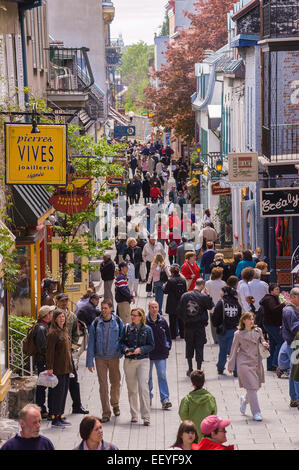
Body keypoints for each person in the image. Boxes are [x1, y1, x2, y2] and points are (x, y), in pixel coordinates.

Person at [86, 299, 123, 423]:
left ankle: (115, 403)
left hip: (114, 357)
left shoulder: (118, 321)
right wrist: (89, 361)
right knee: (103, 386)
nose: (103, 310)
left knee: (116, 383)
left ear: (111, 309)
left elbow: (123, 338)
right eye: (102, 308)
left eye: (106, 308)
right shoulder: (96, 323)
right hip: (100, 358)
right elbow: (91, 342)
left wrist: (122, 352)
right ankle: (106, 412)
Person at [228, 312, 269, 421]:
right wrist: (231, 365)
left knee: (255, 388)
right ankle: (256, 412)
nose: (251, 321)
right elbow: (233, 350)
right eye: (249, 319)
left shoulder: (258, 331)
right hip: (244, 363)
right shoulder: (238, 334)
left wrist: (265, 344)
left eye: (252, 319)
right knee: (252, 387)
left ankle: (244, 400)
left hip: (256, 362)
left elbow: (262, 341)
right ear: (244, 321)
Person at [120, 307, 155, 426]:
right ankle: (134, 414)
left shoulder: (147, 329)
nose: (133, 317)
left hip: (143, 360)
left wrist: (141, 349)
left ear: (141, 317)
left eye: (135, 315)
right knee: (131, 389)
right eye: (132, 315)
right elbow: (121, 342)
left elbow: (151, 345)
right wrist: (125, 349)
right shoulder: (126, 328)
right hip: (129, 361)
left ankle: (146, 416)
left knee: (143, 387)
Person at [56, 293, 89, 415]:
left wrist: (72, 347)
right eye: (62, 301)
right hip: (57, 354)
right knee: (58, 382)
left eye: (66, 301)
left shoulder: (72, 316)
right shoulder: (53, 314)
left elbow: (76, 333)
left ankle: (77, 405)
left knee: (73, 379)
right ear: (57, 302)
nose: (64, 303)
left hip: (68, 353)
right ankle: (55, 410)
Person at [179, 278, 214, 375]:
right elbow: (210, 306)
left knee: (189, 346)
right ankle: (198, 369)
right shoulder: (203, 297)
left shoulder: (185, 296)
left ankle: (190, 368)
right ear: (202, 286)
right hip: (199, 326)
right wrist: (208, 295)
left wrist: (185, 320)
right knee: (199, 347)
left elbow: (180, 311)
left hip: (188, 326)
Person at [46, 308, 73, 428]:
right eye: (59, 317)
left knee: (63, 393)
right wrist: (50, 368)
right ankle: (55, 418)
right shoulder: (53, 333)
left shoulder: (64, 330)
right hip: (57, 369)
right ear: (55, 319)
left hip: (66, 368)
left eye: (63, 316)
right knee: (57, 394)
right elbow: (50, 352)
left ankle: (60, 415)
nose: (62, 319)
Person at [146, 300, 172, 410]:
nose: (154, 309)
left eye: (156, 307)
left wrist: (167, 346)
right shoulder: (145, 322)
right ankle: (148, 397)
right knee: (148, 377)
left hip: (161, 353)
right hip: (148, 354)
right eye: (152, 307)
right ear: (148, 308)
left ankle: (165, 399)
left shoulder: (163, 321)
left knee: (162, 375)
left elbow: (168, 335)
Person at [211, 286, 242, 375]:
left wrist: (216, 325)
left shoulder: (221, 302)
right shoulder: (236, 303)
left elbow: (216, 316)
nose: (220, 292)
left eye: (221, 291)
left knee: (222, 349)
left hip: (223, 330)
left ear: (225, 293)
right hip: (234, 330)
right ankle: (236, 369)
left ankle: (220, 367)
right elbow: (239, 315)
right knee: (233, 350)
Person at [179, 370, 217, 439]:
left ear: (192, 383)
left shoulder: (187, 399)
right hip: (206, 433)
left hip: (192, 433)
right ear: (204, 381)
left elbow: (182, 414)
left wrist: (188, 423)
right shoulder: (210, 398)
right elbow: (214, 414)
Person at [33, 305, 55, 419]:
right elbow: (43, 347)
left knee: (44, 385)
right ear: (46, 315)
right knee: (42, 386)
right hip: (43, 361)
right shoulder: (42, 328)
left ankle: (44, 409)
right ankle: (41, 409)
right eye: (51, 313)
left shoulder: (45, 326)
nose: (52, 315)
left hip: (44, 360)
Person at [259, 283, 285, 372]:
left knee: (273, 344)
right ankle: (274, 363)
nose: (278, 291)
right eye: (276, 289)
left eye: (278, 289)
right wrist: (284, 304)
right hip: (271, 324)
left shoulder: (272, 298)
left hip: (270, 324)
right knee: (281, 341)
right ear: (271, 291)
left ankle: (270, 365)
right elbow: (274, 309)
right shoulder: (270, 299)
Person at [281, 288, 299, 407]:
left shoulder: (293, 309)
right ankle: (296, 398)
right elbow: (295, 328)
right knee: (296, 372)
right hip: (294, 344)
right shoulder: (290, 311)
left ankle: (294, 397)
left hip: (293, 343)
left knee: (294, 371)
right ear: (293, 297)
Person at [163, 264, 187, 339]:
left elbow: (166, 291)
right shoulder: (183, 280)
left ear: (172, 273)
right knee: (181, 320)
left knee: (172, 320)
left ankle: (173, 335)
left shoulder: (170, 280)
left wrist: (163, 287)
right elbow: (185, 291)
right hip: (181, 302)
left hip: (172, 303)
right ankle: (183, 334)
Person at [206, 267, 227, 344]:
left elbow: (205, 293)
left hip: (212, 306)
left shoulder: (208, 283)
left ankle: (215, 339)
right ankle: (221, 336)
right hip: (221, 305)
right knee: (221, 321)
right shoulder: (223, 283)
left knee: (213, 323)